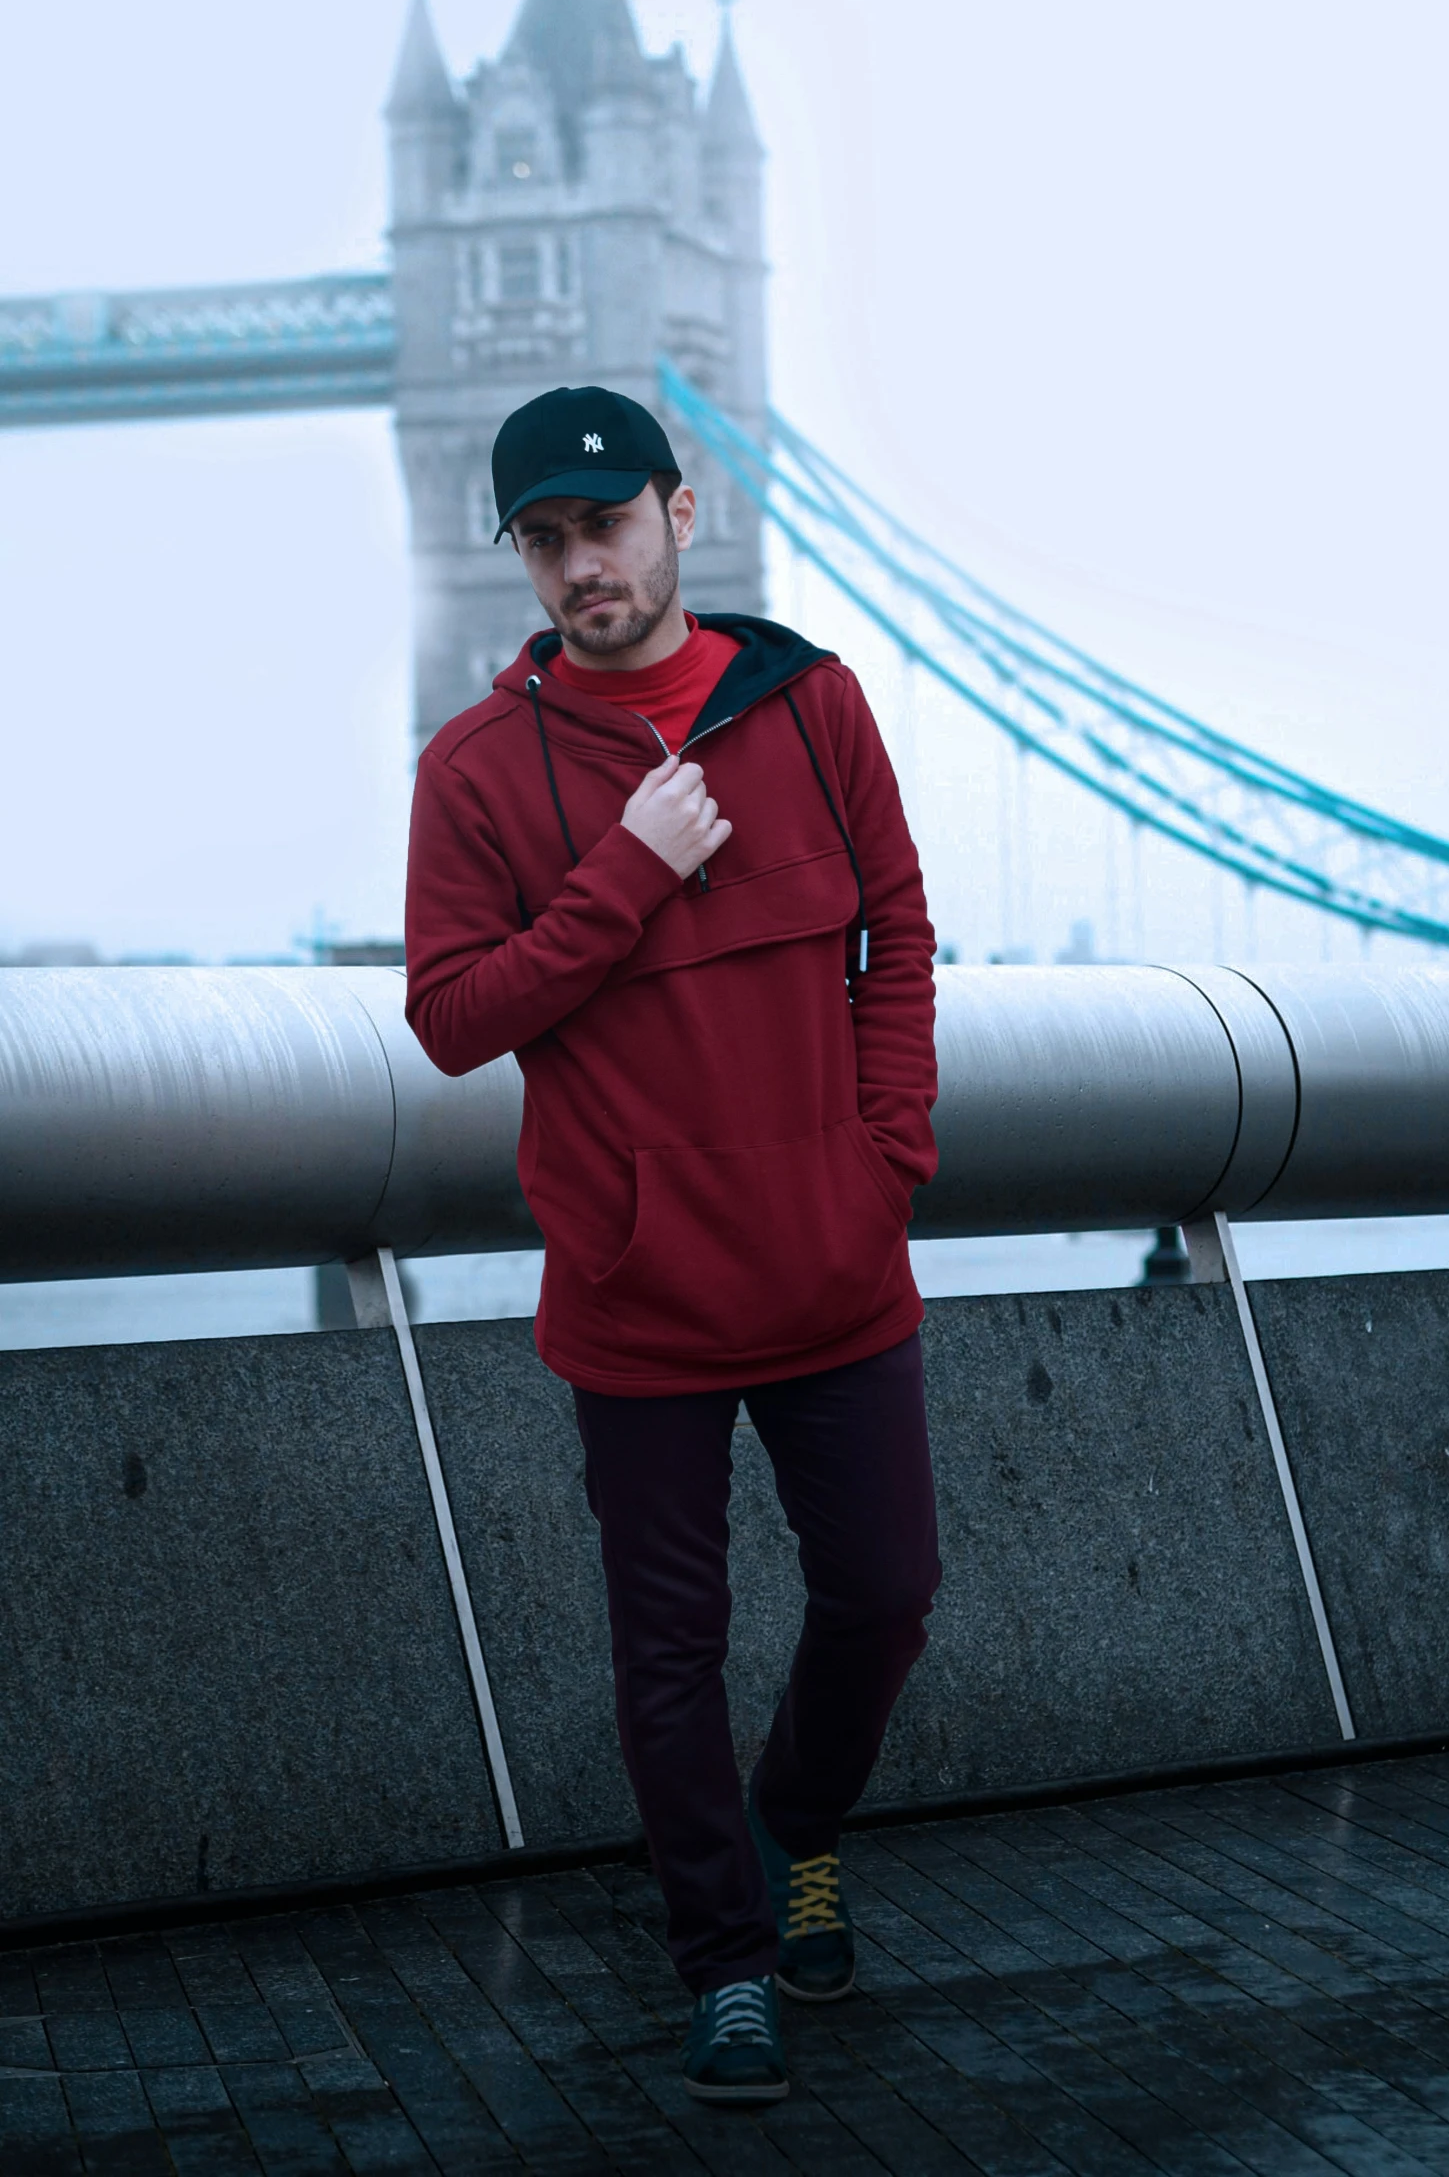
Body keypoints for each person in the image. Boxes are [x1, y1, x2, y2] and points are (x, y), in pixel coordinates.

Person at [403, 385, 941, 2105]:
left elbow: (900, 942)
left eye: (607, 526)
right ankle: (724, 1960)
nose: (582, 567)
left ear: (679, 514)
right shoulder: (475, 772)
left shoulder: (814, 706)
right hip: (635, 1299)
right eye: (547, 543)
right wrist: (625, 875)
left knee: (886, 1591)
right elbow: (453, 1020)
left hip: (836, 1268)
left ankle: (796, 1825)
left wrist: (883, 1164)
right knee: (668, 1656)